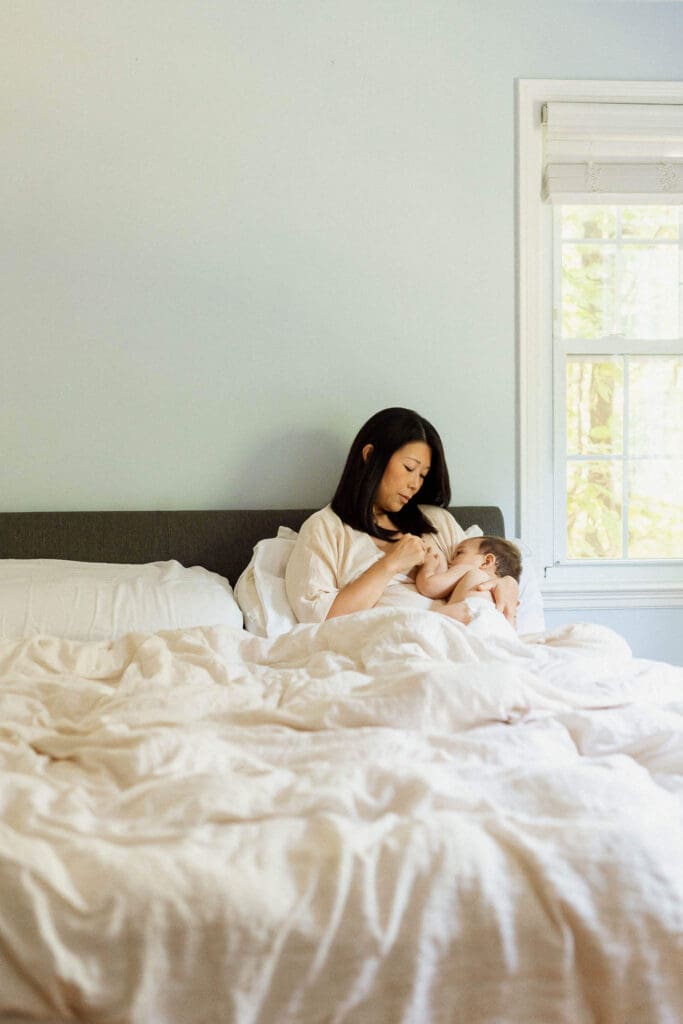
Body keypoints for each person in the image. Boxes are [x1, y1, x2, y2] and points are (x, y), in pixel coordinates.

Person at [285, 407, 519, 626]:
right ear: (370, 456)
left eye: (422, 475)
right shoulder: (325, 529)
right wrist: (390, 565)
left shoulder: (438, 522)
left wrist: (506, 583)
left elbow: (477, 574)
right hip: (386, 643)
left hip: (454, 639)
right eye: (409, 468)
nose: (414, 484)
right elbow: (321, 621)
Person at [416, 535, 522, 624]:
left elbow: (429, 586)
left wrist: (429, 565)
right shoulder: (506, 599)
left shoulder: (470, 570)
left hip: (471, 615)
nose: (450, 561)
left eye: (459, 553)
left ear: (487, 561)